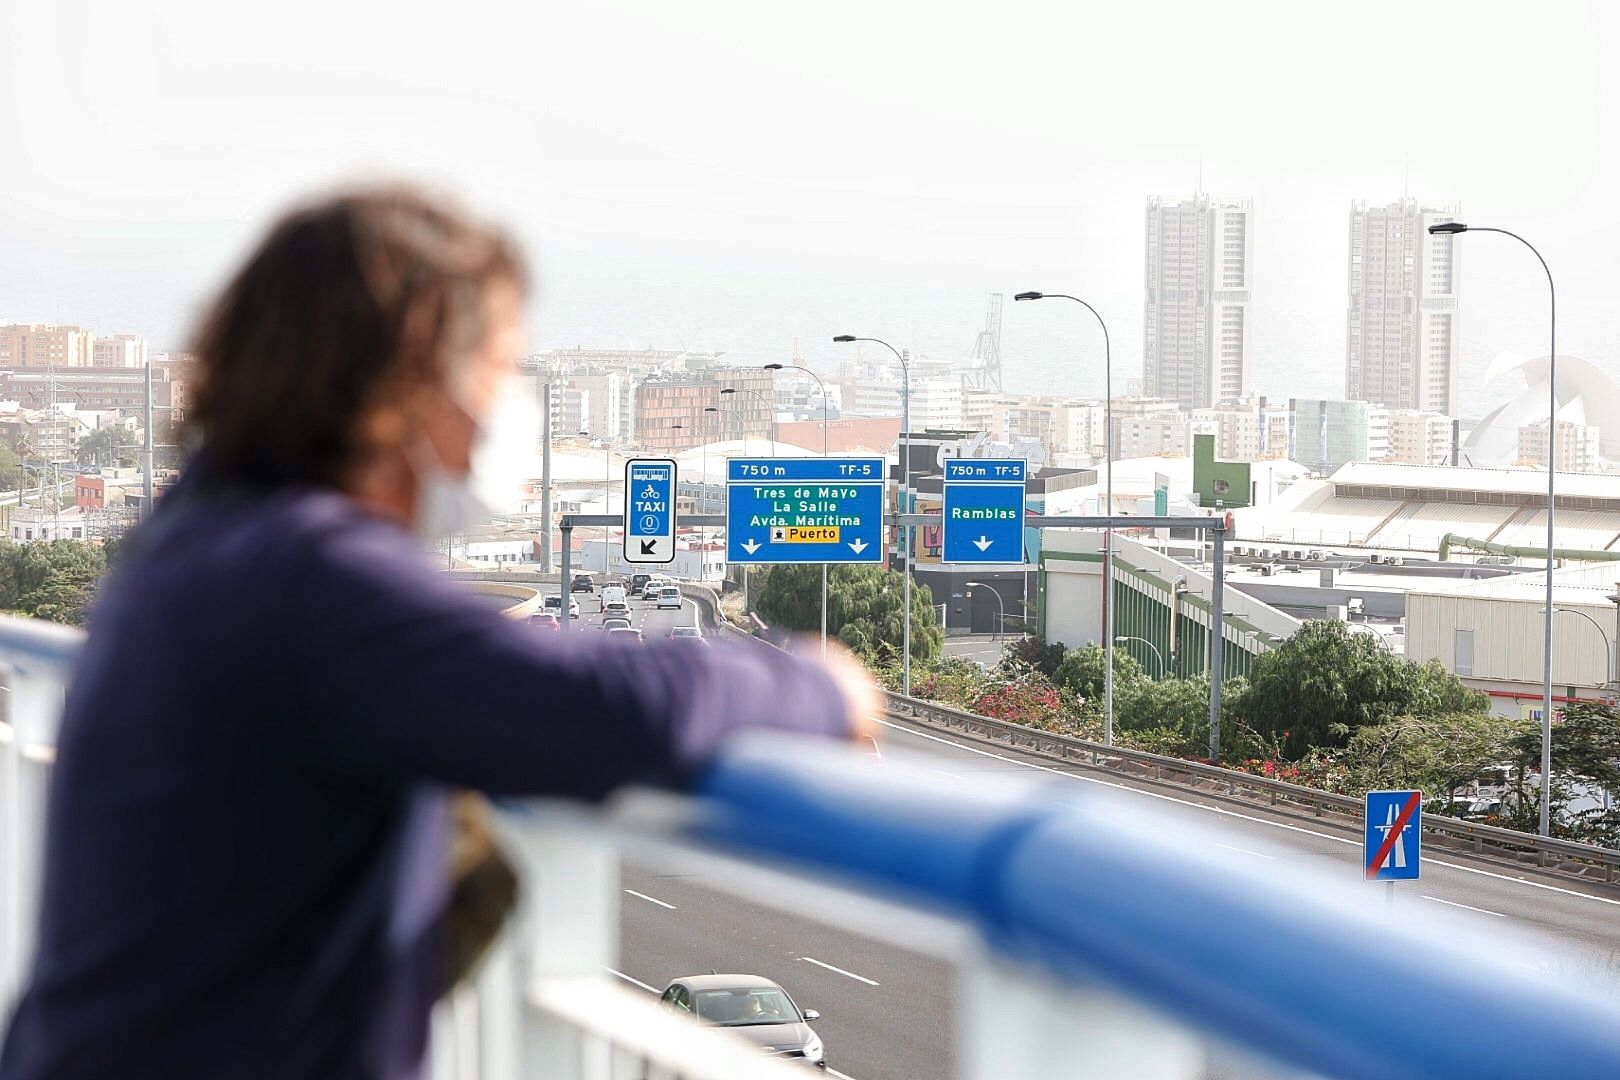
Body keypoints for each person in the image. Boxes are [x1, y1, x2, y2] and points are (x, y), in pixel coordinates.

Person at [0, 186, 879, 1079]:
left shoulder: (198, 542)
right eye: (499, 373)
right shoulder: (306, 578)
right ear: (413, 384)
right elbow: (592, 710)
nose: (506, 413)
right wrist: (816, 683)